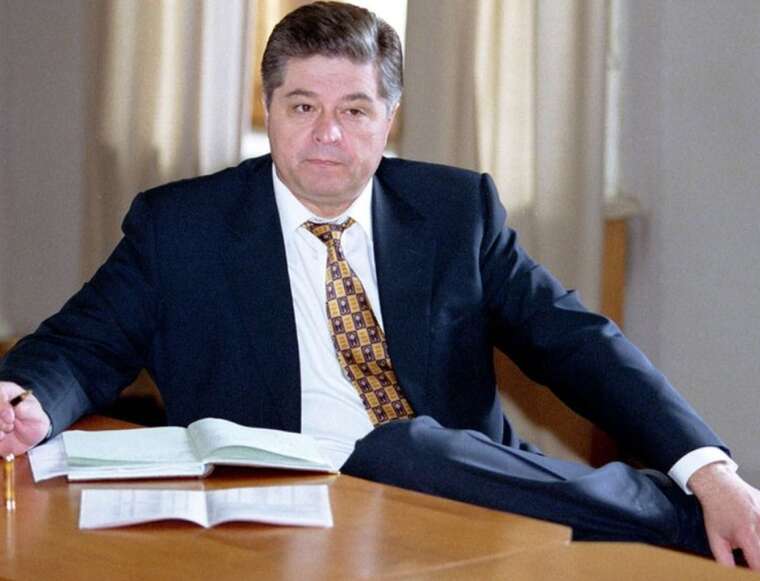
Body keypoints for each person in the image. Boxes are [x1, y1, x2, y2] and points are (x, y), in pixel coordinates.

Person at [1, 1, 759, 568]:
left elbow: (576, 340)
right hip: (278, 515)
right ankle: (669, 517)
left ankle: (684, 509)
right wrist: (26, 400)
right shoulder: (182, 227)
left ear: (390, 117)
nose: (327, 134)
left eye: (355, 109)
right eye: (303, 106)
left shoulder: (455, 211)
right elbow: (80, 344)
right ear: (270, 108)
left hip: (460, 493)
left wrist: (708, 469)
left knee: (405, 448)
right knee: (396, 450)